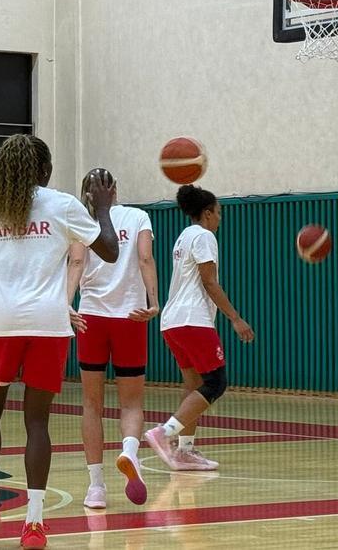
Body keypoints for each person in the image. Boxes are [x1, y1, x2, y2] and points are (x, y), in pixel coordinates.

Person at [0, 134, 119, 550]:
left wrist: (14, 301)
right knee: (37, 423)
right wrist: (102, 207)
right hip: (48, 323)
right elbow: (109, 250)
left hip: (1, 319)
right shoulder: (62, 204)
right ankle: (33, 526)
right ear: (45, 171)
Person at [143, 186, 255, 470]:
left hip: (173, 322)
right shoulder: (205, 236)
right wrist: (235, 317)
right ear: (207, 213)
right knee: (216, 383)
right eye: (218, 213)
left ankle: (185, 450)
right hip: (194, 320)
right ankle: (163, 433)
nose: (220, 218)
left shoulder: (183, 236)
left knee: (193, 385)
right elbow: (209, 281)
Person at [66, 168, 157, 509]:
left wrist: (66, 304)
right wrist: (153, 301)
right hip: (130, 316)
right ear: (114, 189)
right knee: (131, 402)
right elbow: (145, 258)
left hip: (91, 317)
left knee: (92, 404)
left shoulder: (80, 220)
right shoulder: (138, 217)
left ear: (86, 194)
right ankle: (130, 451)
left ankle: (96, 488)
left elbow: (76, 261)